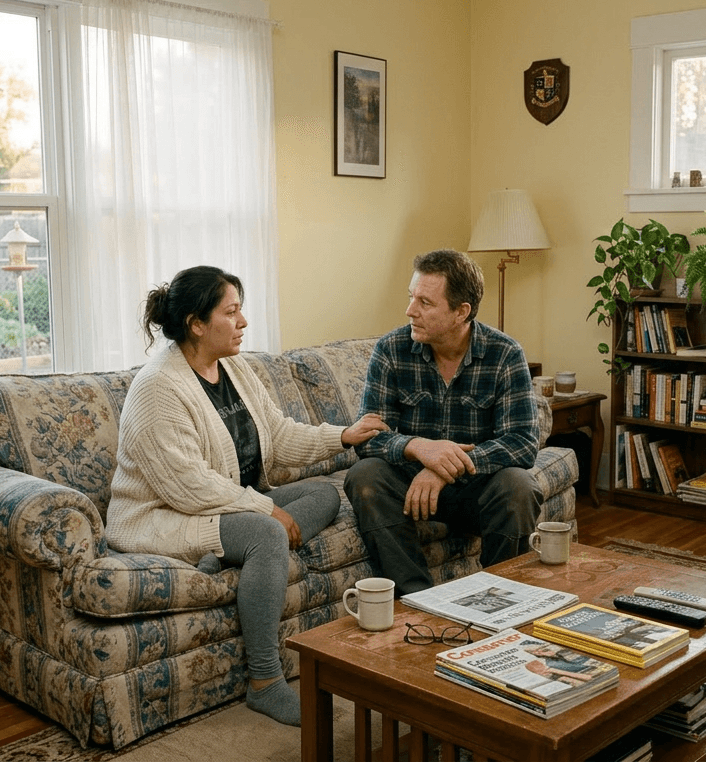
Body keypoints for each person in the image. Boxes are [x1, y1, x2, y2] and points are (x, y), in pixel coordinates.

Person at [105, 266, 387, 727]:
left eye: (241, 310)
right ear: (197, 323)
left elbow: (278, 434)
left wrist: (344, 436)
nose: (243, 322)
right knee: (266, 535)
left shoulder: (234, 367)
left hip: (227, 502)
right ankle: (265, 682)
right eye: (231, 312)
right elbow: (188, 485)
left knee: (325, 495)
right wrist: (265, 509)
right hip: (164, 515)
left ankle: (226, 553)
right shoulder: (159, 387)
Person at [345, 249, 543, 596]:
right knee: (365, 477)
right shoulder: (391, 349)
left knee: (519, 486)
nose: (410, 310)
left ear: (461, 312)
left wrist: (442, 466)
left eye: (425, 302)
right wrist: (419, 448)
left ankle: (500, 599)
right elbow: (368, 438)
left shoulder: (504, 353)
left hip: (477, 486)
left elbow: (523, 441)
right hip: (410, 488)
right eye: (411, 298)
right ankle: (417, 598)